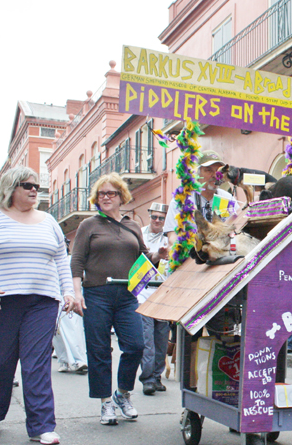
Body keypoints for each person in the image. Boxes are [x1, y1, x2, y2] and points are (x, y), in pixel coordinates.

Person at [0, 166, 75, 445]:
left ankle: (41, 425)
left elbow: (62, 259)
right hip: (0, 300)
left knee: (36, 362)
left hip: (43, 301)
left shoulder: (48, 221)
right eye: (27, 185)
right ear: (11, 188)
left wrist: (69, 292)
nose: (33, 190)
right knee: (0, 360)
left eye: (36, 186)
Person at [71, 173, 167, 425]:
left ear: (121, 197)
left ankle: (122, 394)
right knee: (99, 350)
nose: (105, 197)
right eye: (101, 193)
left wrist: (160, 254)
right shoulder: (88, 225)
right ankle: (105, 404)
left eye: (110, 193)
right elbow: (77, 260)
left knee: (136, 345)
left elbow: (144, 259)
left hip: (126, 295)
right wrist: (77, 292)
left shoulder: (133, 225)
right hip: (96, 293)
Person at [163, 151, 237, 245]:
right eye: (209, 170)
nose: (215, 175)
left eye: (218, 171)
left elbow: (239, 225)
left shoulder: (227, 199)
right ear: (197, 174)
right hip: (193, 256)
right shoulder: (182, 200)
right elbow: (172, 236)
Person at [139, 202, 171, 395]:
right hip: (143, 292)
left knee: (161, 339)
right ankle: (147, 378)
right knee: (147, 339)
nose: (157, 221)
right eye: (154, 217)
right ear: (149, 216)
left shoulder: (170, 236)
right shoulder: (140, 234)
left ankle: (157, 376)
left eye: (161, 218)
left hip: (164, 293)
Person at [53, 239, 87, 374]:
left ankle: (79, 360)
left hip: (69, 298)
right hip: (52, 298)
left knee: (73, 329)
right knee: (57, 333)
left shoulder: (70, 260)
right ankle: (64, 361)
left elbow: (80, 276)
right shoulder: (50, 260)